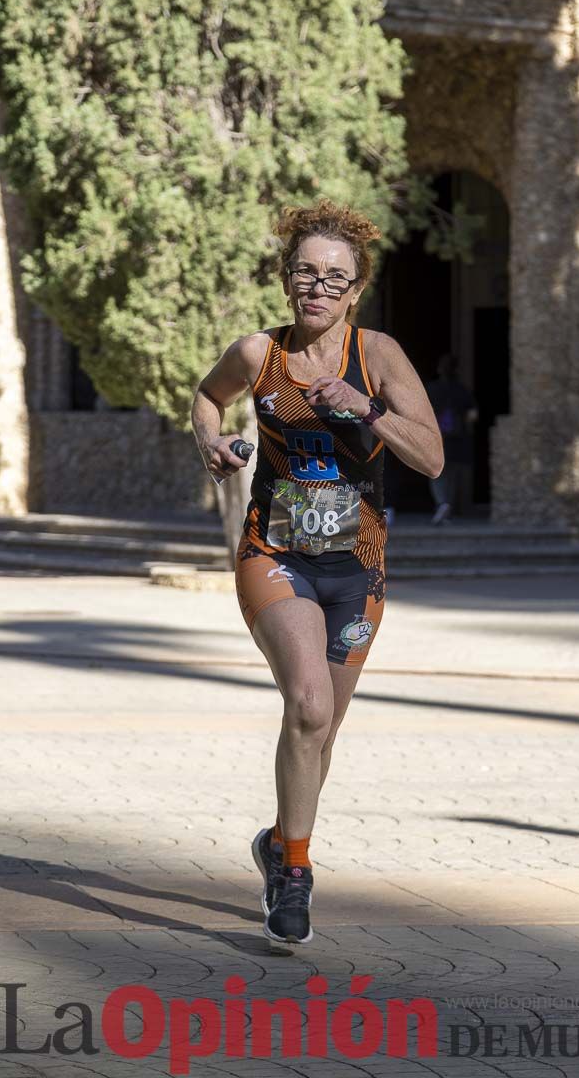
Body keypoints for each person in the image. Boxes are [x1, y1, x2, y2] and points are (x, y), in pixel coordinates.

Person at [191, 199, 443, 947]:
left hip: (357, 570)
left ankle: (277, 840)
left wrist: (365, 410)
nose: (318, 288)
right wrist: (213, 442)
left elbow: (429, 457)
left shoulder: (379, 355)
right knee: (306, 706)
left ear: (356, 291)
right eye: (306, 272)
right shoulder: (257, 355)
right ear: (285, 278)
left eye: (336, 278)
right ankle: (295, 871)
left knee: (322, 728)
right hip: (276, 556)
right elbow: (209, 398)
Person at [425, 354, 478, 524]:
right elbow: (472, 415)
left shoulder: (431, 389)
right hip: (457, 439)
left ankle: (442, 504)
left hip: (436, 438)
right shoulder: (462, 390)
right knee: (452, 475)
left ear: (440, 369)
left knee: (436, 474)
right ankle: (447, 507)